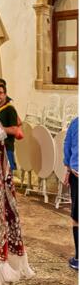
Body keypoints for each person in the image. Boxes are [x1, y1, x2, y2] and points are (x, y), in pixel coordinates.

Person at [0, 85, 21, 170]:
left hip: (7, 147)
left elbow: (15, 130)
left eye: (0, 93)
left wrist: (0, 129)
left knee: (8, 175)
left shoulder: (10, 109)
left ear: (5, 94)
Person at [63, 116, 78, 271]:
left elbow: (67, 146)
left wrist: (67, 168)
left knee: (77, 218)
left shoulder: (76, 122)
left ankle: (79, 258)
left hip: (77, 173)